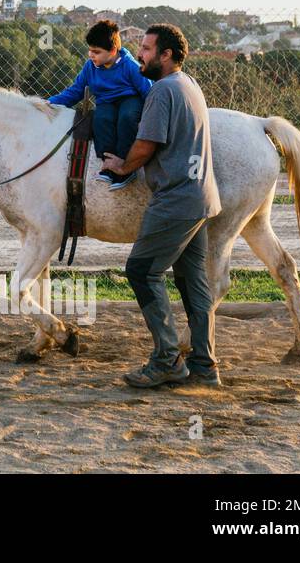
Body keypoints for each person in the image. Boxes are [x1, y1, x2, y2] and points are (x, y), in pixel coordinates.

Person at [102, 23, 224, 388]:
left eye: (145, 48)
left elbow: (147, 143)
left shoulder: (162, 91)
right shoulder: (189, 85)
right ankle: (204, 367)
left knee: (142, 271)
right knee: (193, 283)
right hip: (200, 197)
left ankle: (167, 360)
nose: (139, 54)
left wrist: (121, 166)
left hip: (175, 200)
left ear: (165, 55)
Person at [48, 20, 152, 189]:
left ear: (113, 51)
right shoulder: (91, 67)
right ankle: (109, 165)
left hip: (130, 99)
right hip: (106, 101)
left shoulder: (129, 66)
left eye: (96, 51)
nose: (91, 55)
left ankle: (126, 167)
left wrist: (150, 115)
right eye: (90, 50)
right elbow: (75, 91)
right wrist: (50, 103)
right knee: (101, 119)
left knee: (127, 117)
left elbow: (147, 90)